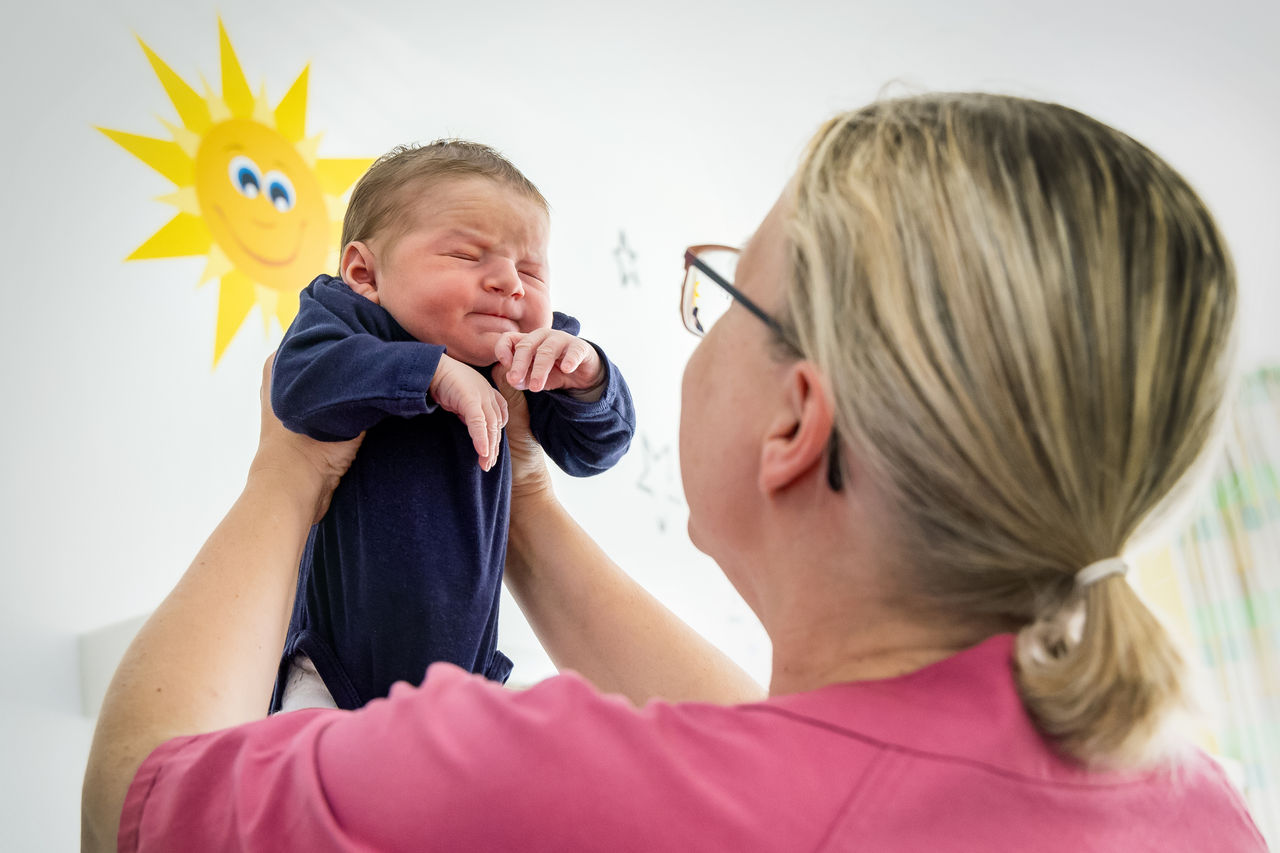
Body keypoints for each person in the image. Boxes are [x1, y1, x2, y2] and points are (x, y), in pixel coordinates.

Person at [82, 93, 1267, 851]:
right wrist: (523, 494)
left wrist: (286, 474)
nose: (511, 285)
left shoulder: (525, 783)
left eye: (723, 297)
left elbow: (136, 806)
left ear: (795, 420)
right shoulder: (1193, 805)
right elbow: (782, 747)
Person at [267, 140, 636, 711]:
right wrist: (429, 372)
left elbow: (593, 449)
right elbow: (296, 387)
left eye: (531, 271)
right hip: (331, 670)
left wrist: (589, 379)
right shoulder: (348, 325)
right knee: (307, 781)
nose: (510, 284)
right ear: (364, 273)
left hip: (464, 674)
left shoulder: (524, 356)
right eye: (468, 256)